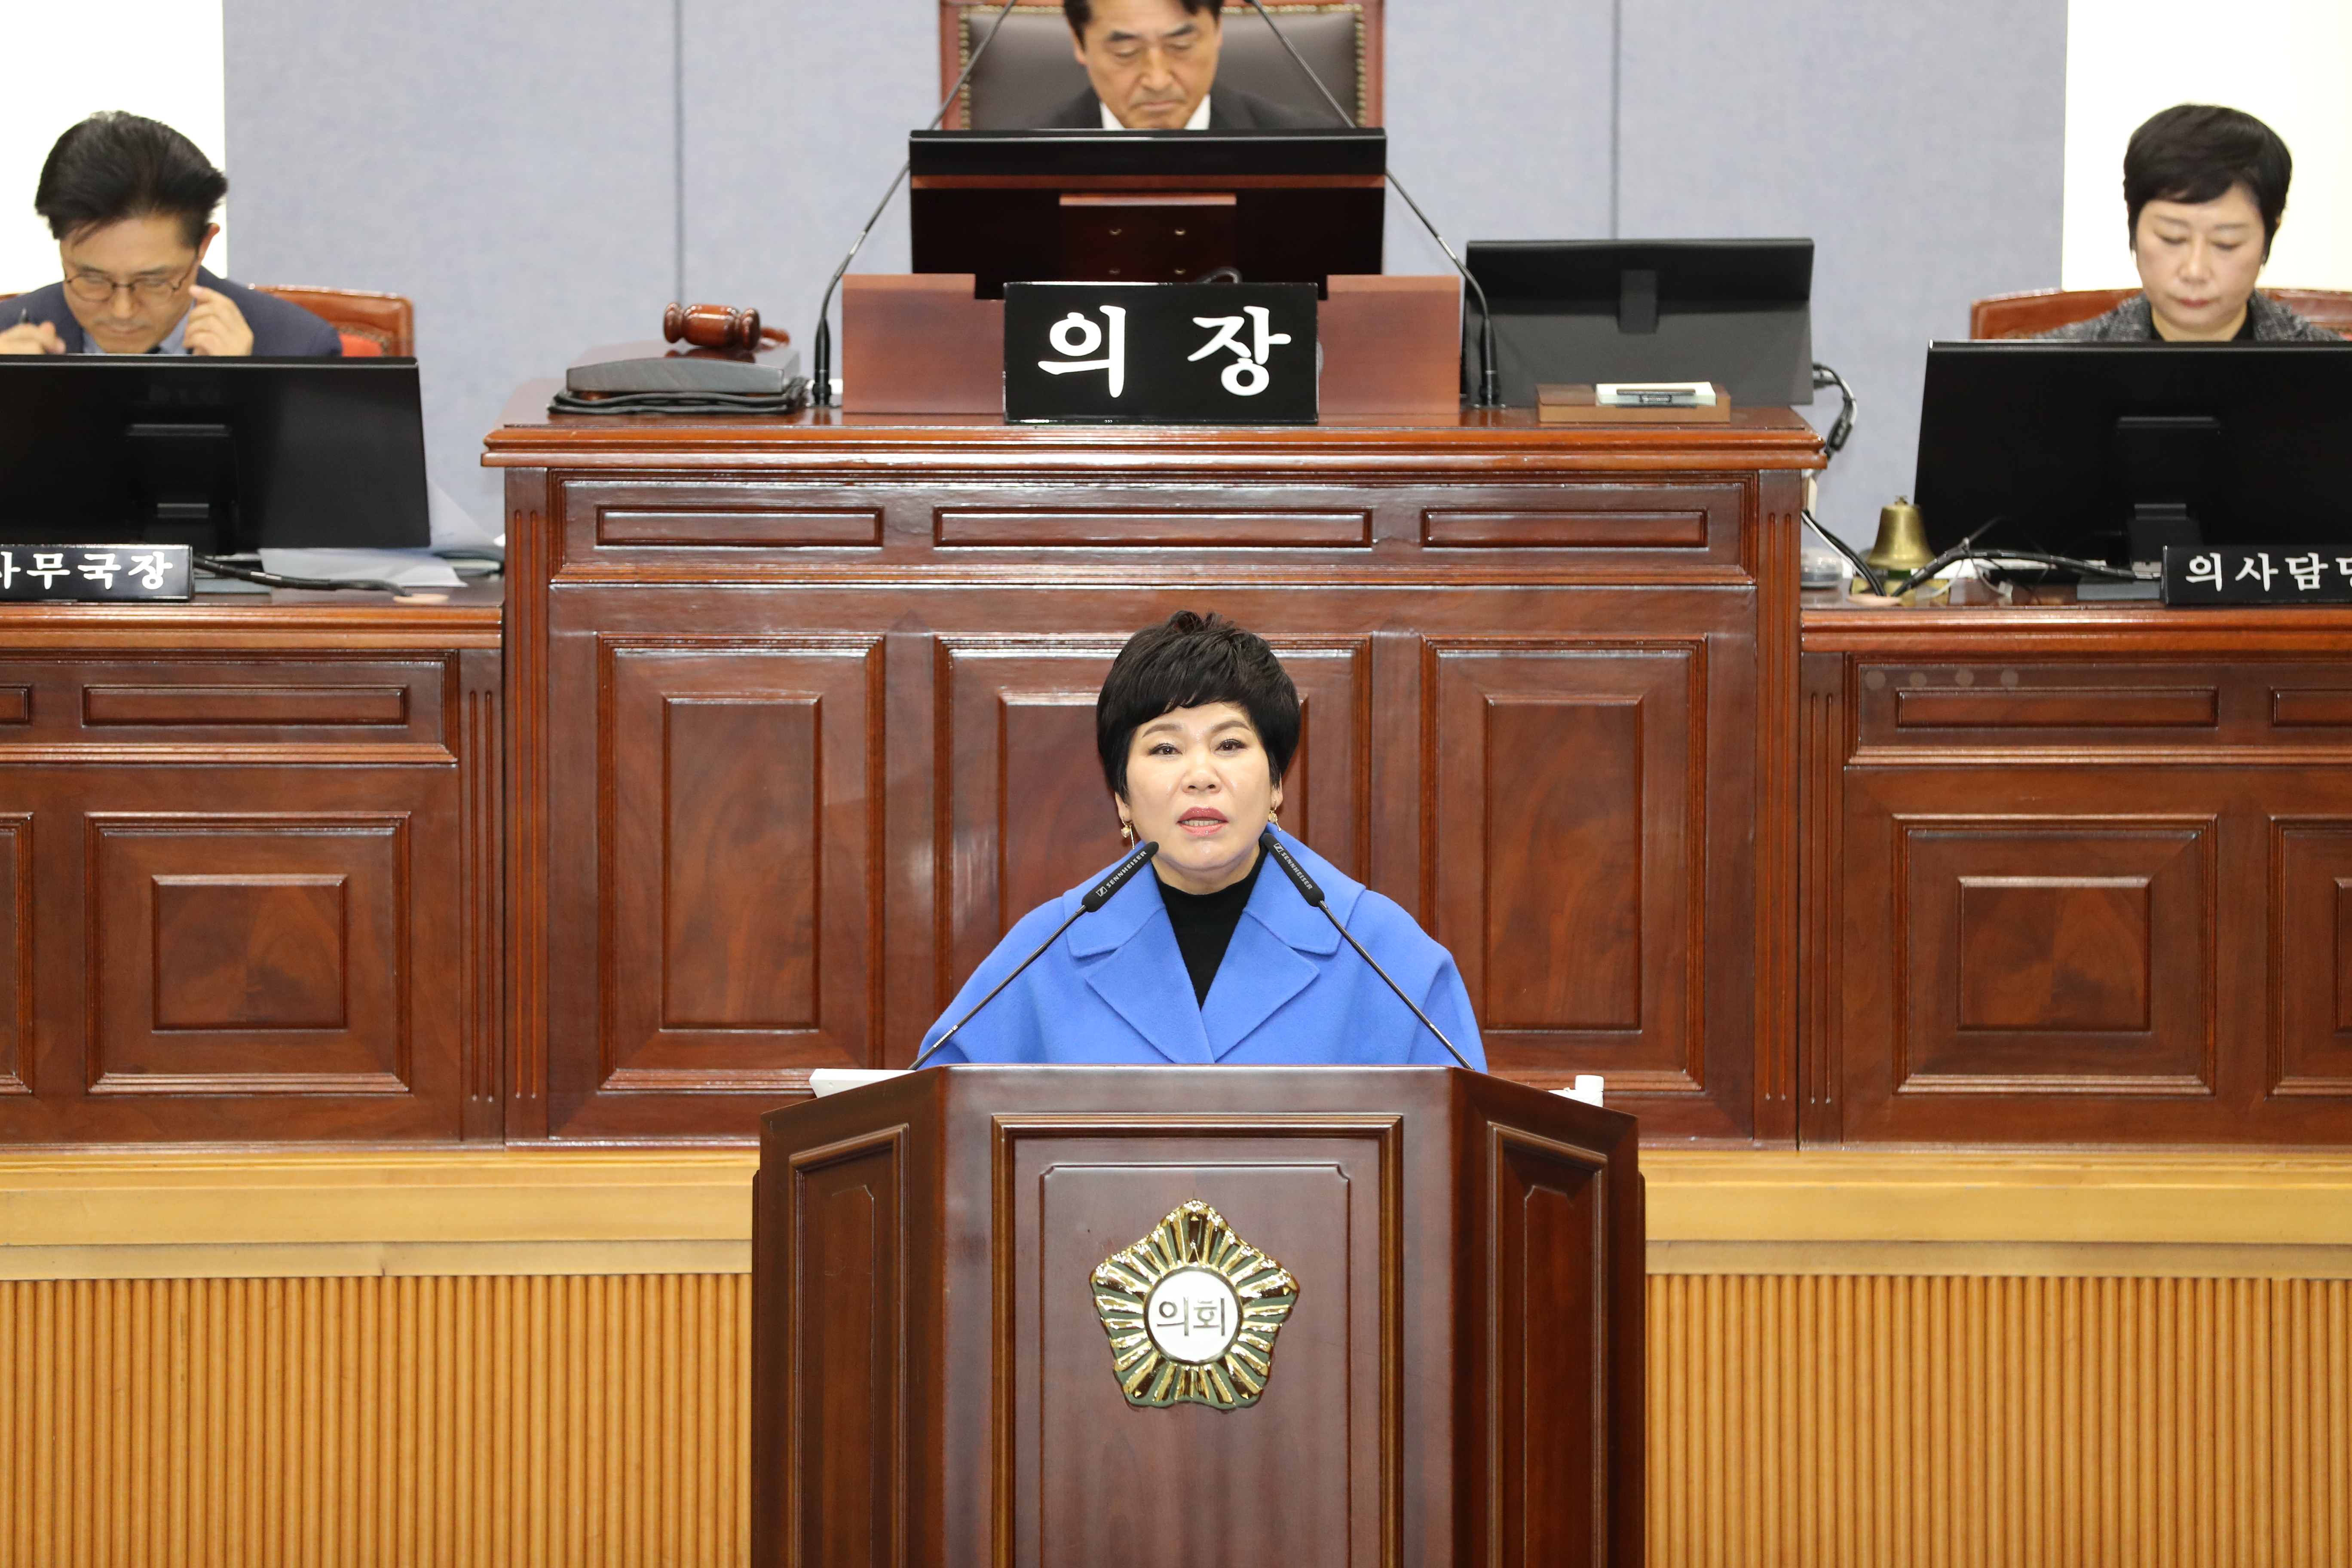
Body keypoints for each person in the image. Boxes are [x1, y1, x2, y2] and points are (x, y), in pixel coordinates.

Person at [917, 612, 1484, 1067]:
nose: (1200, 775)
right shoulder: (1044, 952)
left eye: (1230, 745)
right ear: (1121, 797)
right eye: (1165, 749)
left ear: (1277, 784)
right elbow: (940, 1124)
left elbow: (1460, 1142)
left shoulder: (1384, 954)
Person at [0, 112, 341, 358]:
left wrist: (245, 392)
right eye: (93, 280)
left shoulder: (298, 349)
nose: (122, 311)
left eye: (154, 283)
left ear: (203, 246)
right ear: (62, 248)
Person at [2045, 104, 2343, 344]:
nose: (2195, 271)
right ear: (2133, 224)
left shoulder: (2335, 372)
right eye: (2172, 238)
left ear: (2269, 234)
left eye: (2226, 244)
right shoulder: (2050, 369)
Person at [1042, 0, 1324, 131]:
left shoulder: (1316, 156)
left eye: (1181, 46)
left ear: (1218, 30)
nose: (1158, 81)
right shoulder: (1022, 164)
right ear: (1079, 42)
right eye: (1126, 52)